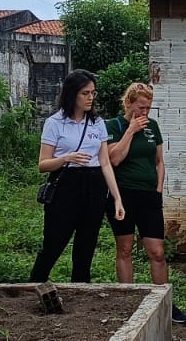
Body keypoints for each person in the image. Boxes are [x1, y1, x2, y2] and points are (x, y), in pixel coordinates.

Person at [105, 82, 186, 322]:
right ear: (128, 103)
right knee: (125, 249)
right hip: (122, 195)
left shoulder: (153, 126)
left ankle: (164, 303)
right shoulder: (114, 126)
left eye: (148, 108)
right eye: (140, 107)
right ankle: (128, 300)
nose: (144, 112)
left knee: (157, 251)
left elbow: (159, 161)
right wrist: (131, 131)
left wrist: (159, 188)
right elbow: (114, 159)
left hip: (149, 195)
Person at [30, 69, 124, 282]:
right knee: (54, 242)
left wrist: (117, 198)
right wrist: (66, 158)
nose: (90, 98)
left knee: (86, 245)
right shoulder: (55, 122)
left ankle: (81, 288)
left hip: (94, 184)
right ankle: (35, 284)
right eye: (85, 93)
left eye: (93, 93)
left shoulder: (97, 123)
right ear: (72, 94)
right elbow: (43, 164)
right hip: (66, 184)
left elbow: (105, 162)